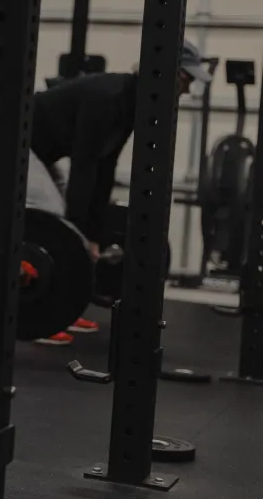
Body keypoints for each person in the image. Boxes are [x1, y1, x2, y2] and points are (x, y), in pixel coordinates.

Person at [26, 42, 212, 345]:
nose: (187, 90)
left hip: (44, 151)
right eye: (186, 80)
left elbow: (105, 168)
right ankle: (36, 314)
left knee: (64, 224)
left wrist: (94, 234)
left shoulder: (133, 104)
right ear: (166, 74)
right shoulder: (108, 97)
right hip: (17, 142)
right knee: (53, 221)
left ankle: (62, 311)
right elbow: (84, 168)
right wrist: (78, 234)